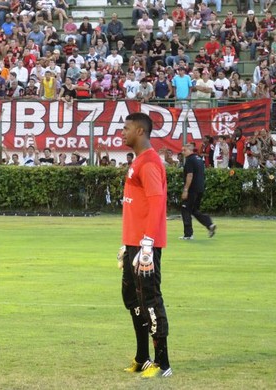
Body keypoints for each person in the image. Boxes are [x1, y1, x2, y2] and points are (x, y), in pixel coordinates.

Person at [119, 112, 171, 379]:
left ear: (140, 131)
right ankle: (143, 358)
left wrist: (148, 244)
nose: (122, 132)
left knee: (150, 301)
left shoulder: (149, 163)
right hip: (133, 244)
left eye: (126, 128)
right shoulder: (138, 160)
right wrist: (126, 244)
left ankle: (163, 363)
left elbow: (156, 202)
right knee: (132, 300)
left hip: (145, 247)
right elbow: (135, 206)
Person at [180, 143, 216, 240]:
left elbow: (190, 175)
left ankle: (188, 234)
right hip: (200, 188)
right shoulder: (199, 159)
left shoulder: (189, 160)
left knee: (185, 209)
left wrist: (185, 190)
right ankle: (209, 224)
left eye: (184, 150)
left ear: (190, 150)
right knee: (194, 210)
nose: (182, 152)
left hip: (192, 189)